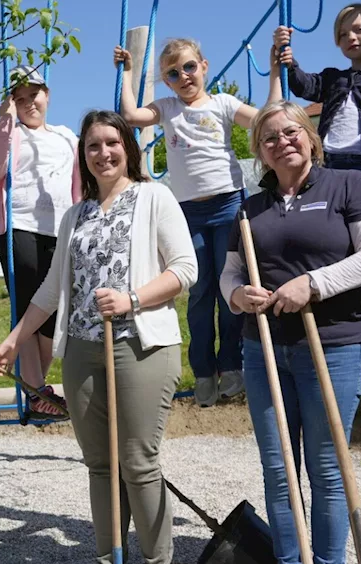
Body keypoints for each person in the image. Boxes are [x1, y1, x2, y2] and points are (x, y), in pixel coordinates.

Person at [0, 110, 196, 564]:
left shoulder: (154, 197)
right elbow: (52, 287)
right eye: (92, 147)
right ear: (82, 157)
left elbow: (186, 269)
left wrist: (133, 299)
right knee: (100, 464)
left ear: (128, 146)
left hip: (140, 346)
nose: (103, 153)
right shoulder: (74, 215)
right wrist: (16, 339)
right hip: (82, 349)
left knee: (137, 461)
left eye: (111, 143)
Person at [220, 101, 361, 564]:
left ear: (309, 136)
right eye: (268, 139)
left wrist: (311, 285)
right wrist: (238, 297)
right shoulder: (249, 209)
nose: (281, 142)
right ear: (260, 153)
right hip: (265, 346)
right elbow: (228, 276)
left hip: (333, 344)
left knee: (326, 468)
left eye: (290, 132)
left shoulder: (348, 186)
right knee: (279, 468)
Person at [114, 38, 281, 408]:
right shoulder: (169, 107)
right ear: (168, 82)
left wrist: (273, 71)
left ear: (204, 66)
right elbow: (130, 116)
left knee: (231, 286)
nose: (184, 76)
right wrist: (128, 74)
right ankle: (204, 371)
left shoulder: (222, 103)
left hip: (228, 205)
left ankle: (232, 365)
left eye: (189, 67)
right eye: (173, 73)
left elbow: (268, 116)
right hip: (187, 212)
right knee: (199, 290)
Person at [0, 64, 80, 418]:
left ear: (47, 95)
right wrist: (4, 122)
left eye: (33, 95)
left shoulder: (67, 137)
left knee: (53, 313)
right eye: (19, 99)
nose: (28, 103)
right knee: (27, 307)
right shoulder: (13, 133)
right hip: (17, 227)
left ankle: (37, 387)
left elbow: (79, 186)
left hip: (59, 228)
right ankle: (38, 393)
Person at [273, 3, 361, 206]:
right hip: (326, 162)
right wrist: (289, 63)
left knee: (359, 216)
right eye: (343, 35)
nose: (351, 38)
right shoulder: (334, 78)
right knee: (325, 217)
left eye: (359, 29)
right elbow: (306, 87)